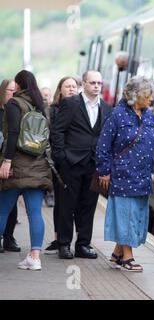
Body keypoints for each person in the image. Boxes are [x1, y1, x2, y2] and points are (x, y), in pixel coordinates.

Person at [96, 76, 154, 272]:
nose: (151, 100)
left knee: (136, 216)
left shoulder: (148, 116)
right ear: (135, 95)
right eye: (148, 96)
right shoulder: (117, 115)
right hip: (122, 175)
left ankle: (117, 253)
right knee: (126, 216)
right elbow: (103, 146)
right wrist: (104, 171)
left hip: (142, 177)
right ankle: (127, 257)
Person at [51, 70, 111, 259]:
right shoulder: (71, 104)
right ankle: (64, 244)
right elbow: (58, 131)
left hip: (93, 164)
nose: (96, 86)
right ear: (83, 83)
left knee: (88, 205)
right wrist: (61, 157)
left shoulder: (107, 108)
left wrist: (105, 163)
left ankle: (83, 244)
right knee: (67, 205)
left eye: (99, 83)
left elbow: (106, 137)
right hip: (72, 162)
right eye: (92, 82)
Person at [0, 70, 52, 270]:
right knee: (35, 213)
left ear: (19, 85)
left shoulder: (15, 103)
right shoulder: (41, 106)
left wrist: (7, 161)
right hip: (38, 167)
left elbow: (12, 134)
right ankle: (35, 258)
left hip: (17, 166)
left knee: (3, 210)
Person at [44, 76, 79, 254]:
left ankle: (66, 239)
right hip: (59, 161)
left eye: (74, 86)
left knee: (71, 203)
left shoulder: (82, 109)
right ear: (60, 89)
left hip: (76, 161)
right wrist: (60, 156)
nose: (72, 89)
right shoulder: (53, 110)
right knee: (61, 201)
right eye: (68, 86)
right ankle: (59, 238)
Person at [0, 79, 21, 253]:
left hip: (9, 163)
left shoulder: (16, 110)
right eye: (10, 91)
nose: (13, 94)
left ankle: (8, 237)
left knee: (11, 203)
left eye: (16, 91)